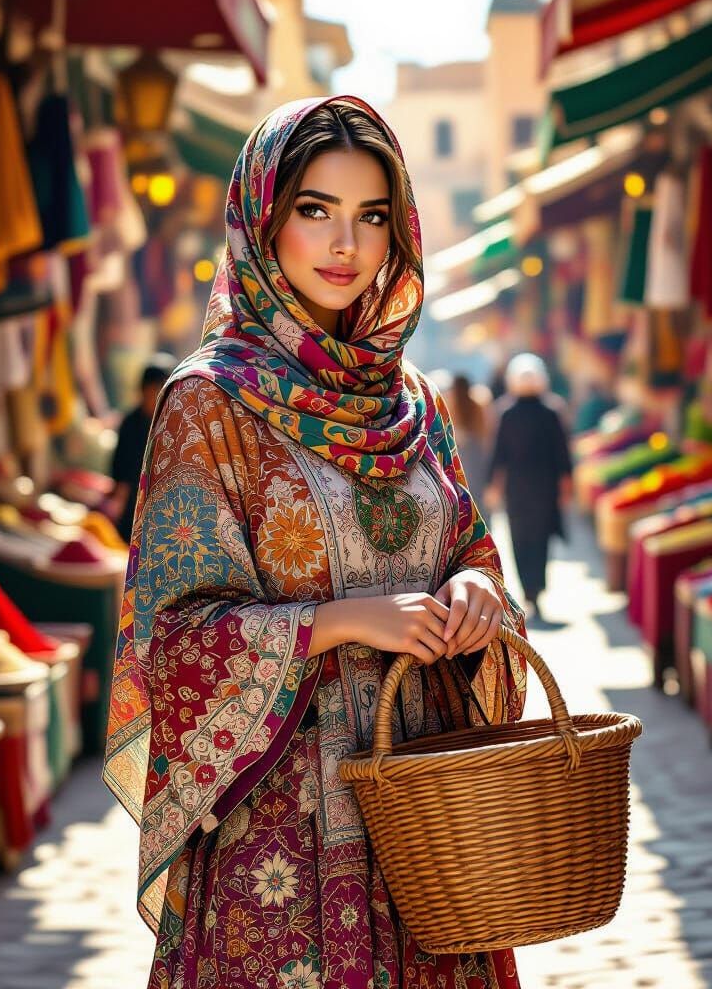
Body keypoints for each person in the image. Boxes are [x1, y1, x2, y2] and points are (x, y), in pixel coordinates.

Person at [103, 98, 527, 989]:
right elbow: (170, 648)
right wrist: (339, 621)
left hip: (432, 825)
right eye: (315, 210)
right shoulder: (208, 404)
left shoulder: (412, 400)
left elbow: (469, 550)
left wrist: (479, 594)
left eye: (371, 216)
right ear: (264, 217)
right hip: (281, 843)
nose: (346, 245)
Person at [485, 354, 572, 619]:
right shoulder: (551, 410)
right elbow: (563, 454)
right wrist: (566, 486)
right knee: (538, 540)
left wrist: (493, 485)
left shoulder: (507, 412)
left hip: (518, 489)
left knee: (520, 539)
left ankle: (530, 590)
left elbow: (498, 454)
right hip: (542, 488)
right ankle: (535, 590)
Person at [106, 355, 175, 542]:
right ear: (142, 390)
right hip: (131, 504)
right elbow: (120, 468)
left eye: (158, 392)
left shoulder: (173, 426)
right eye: (150, 391)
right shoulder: (130, 423)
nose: (152, 398)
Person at [445, 373, 493, 505]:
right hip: (475, 451)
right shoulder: (477, 404)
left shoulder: (450, 404)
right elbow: (485, 430)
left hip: (461, 451)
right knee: (476, 490)